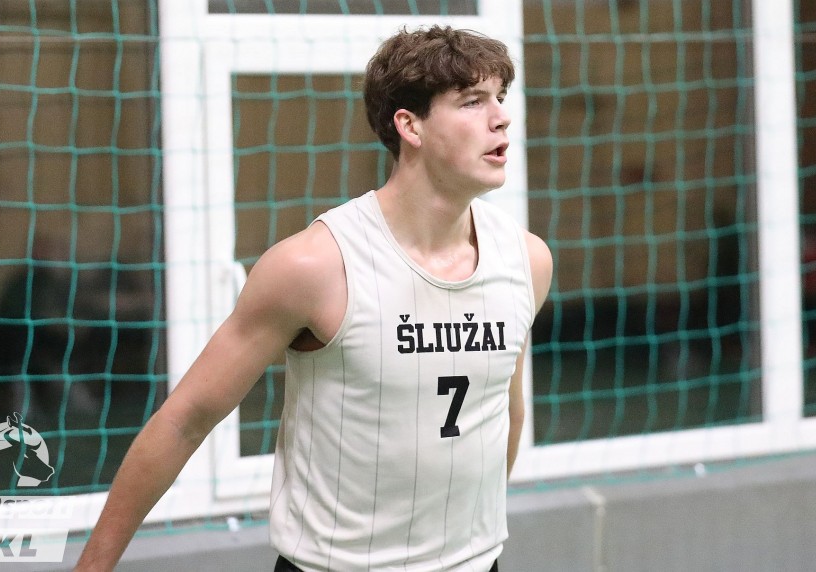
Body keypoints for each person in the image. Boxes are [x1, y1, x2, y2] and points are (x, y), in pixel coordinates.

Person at [74, 24, 552, 572]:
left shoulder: (526, 260)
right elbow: (185, 420)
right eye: (472, 101)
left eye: (500, 97)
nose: (501, 117)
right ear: (410, 125)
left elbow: (504, 411)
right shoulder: (314, 266)